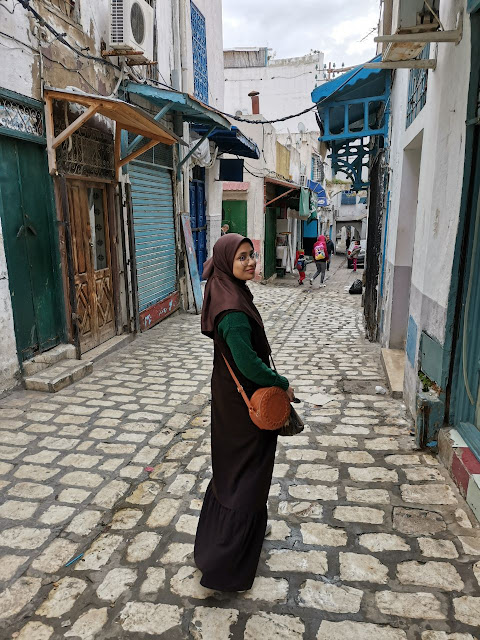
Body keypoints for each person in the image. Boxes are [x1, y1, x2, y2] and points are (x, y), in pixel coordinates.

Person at [194, 233, 295, 592]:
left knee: (231, 471)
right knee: (249, 475)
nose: (251, 262)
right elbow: (249, 364)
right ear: (227, 262)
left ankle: (224, 540)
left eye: (251, 254)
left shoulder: (221, 287)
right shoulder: (234, 311)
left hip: (228, 398)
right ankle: (227, 561)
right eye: (242, 257)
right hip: (246, 405)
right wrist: (282, 383)